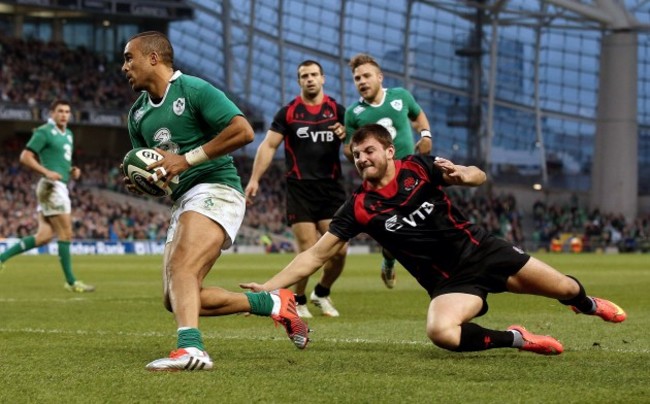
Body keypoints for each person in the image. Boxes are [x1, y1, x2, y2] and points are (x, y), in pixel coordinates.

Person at [242, 124, 626, 356]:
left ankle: (588, 304)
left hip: (484, 250)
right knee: (441, 333)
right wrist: (270, 289)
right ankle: (518, 339)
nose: (361, 159)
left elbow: (478, 175)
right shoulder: (358, 207)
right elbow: (315, 254)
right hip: (450, 282)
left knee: (566, 287)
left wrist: (463, 175)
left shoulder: (419, 166)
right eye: (356, 155)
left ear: (389, 151)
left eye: (369, 151)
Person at [121, 31, 308, 371]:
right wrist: (146, 183)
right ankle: (272, 303)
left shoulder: (193, 90)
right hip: (182, 201)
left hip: (216, 188)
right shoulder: (137, 116)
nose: (124, 67)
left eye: (129, 57)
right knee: (176, 296)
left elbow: (244, 130)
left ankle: (191, 350)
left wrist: (187, 160)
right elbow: (158, 167)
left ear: (153, 58)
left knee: (182, 269)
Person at [245, 60, 348, 318]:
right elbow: (268, 146)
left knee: (340, 251)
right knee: (308, 247)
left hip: (331, 189)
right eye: (305, 76)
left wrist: (348, 136)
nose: (310, 79)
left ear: (323, 78)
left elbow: (354, 149)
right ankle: (298, 300)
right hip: (300, 189)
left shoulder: (338, 111)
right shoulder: (288, 112)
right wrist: (255, 178)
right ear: (299, 81)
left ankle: (321, 292)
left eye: (314, 74)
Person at [344, 53, 433, 289]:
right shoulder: (353, 113)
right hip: (384, 180)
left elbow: (418, 115)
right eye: (356, 78)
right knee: (393, 230)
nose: (361, 81)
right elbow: (348, 149)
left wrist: (425, 135)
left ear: (379, 77)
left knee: (427, 220)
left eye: (366, 76)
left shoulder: (401, 96)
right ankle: (389, 259)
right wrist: (356, 153)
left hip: (412, 170)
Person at [0, 99, 95, 293]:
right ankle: (71, 282)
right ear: (51, 113)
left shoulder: (68, 134)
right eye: (60, 111)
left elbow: (59, 162)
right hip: (52, 187)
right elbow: (25, 157)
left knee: (43, 237)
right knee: (66, 234)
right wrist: (46, 172)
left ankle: (1, 258)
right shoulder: (43, 132)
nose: (64, 115)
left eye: (67, 111)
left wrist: (72, 170)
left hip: (58, 185)